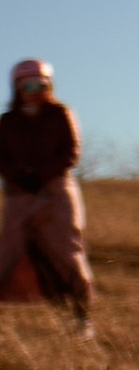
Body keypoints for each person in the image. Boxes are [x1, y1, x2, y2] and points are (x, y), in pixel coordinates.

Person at [0, 59, 93, 328]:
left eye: (41, 84)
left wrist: (42, 175)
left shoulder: (61, 113)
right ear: (17, 88)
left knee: (67, 249)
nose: (34, 90)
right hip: (19, 194)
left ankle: (81, 315)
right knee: (10, 249)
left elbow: (71, 151)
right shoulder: (7, 121)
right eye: (27, 85)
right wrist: (18, 176)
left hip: (56, 191)